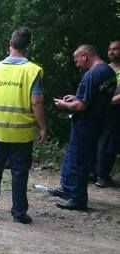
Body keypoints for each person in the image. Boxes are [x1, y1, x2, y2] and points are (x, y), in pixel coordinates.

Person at [0, 27, 47, 224]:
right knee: (19, 173)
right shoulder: (32, 71)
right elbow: (36, 102)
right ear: (28, 45)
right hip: (22, 133)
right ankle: (18, 213)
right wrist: (43, 127)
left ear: (10, 43)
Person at [51, 44, 116, 210]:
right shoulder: (109, 72)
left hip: (86, 123)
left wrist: (64, 104)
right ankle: (67, 188)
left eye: (77, 59)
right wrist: (76, 96)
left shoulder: (92, 74)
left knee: (78, 160)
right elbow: (97, 97)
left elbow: (81, 106)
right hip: (99, 121)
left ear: (85, 55)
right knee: (76, 156)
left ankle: (78, 198)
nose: (77, 64)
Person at [91, 40, 120, 188]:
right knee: (101, 142)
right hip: (102, 111)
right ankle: (98, 174)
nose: (111, 51)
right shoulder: (105, 69)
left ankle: (102, 174)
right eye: (110, 49)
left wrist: (106, 101)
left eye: (115, 49)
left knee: (110, 144)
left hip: (116, 112)